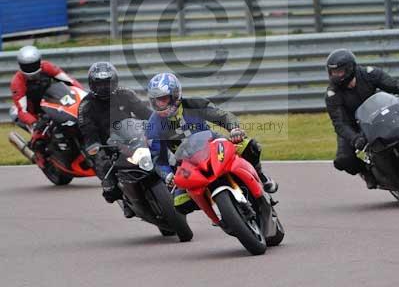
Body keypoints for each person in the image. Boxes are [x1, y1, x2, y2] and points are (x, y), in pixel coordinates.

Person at [145, 72, 278, 214]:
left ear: (175, 95)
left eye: (163, 99)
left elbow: (221, 115)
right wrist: (167, 175)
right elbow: (158, 157)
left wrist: (234, 129)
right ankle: (220, 212)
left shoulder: (194, 104)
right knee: (180, 204)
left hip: (214, 145)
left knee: (250, 146)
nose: (160, 104)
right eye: (156, 101)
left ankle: (261, 177)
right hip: (187, 164)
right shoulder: (153, 124)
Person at [78, 61, 151, 217]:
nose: (104, 87)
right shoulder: (86, 106)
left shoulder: (125, 94)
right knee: (103, 166)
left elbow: (144, 112)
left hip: (132, 135)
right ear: (92, 84)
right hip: (108, 146)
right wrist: (95, 146)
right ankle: (123, 198)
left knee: (161, 146)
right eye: (100, 83)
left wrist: (158, 123)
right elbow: (88, 132)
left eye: (107, 83)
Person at [325, 48, 399, 188]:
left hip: (380, 115)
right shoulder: (332, 95)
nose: (335, 75)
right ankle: (367, 172)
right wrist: (355, 138)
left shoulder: (369, 74)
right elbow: (339, 123)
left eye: (339, 71)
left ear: (350, 68)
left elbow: (394, 86)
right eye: (333, 72)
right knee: (343, 159)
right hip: (353, 126)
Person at [10, 45, 82, 151]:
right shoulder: (17, 82)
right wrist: (35, 123)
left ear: (39, 61)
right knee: (40, 140)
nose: (31, 69)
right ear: (21, 65)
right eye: (27, 66)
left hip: (54, 102)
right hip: (34, 112)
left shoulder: (47, 66)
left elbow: (70, 81)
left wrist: (82, 95)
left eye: (33, 64)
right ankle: (41, 157)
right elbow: (22, 110)